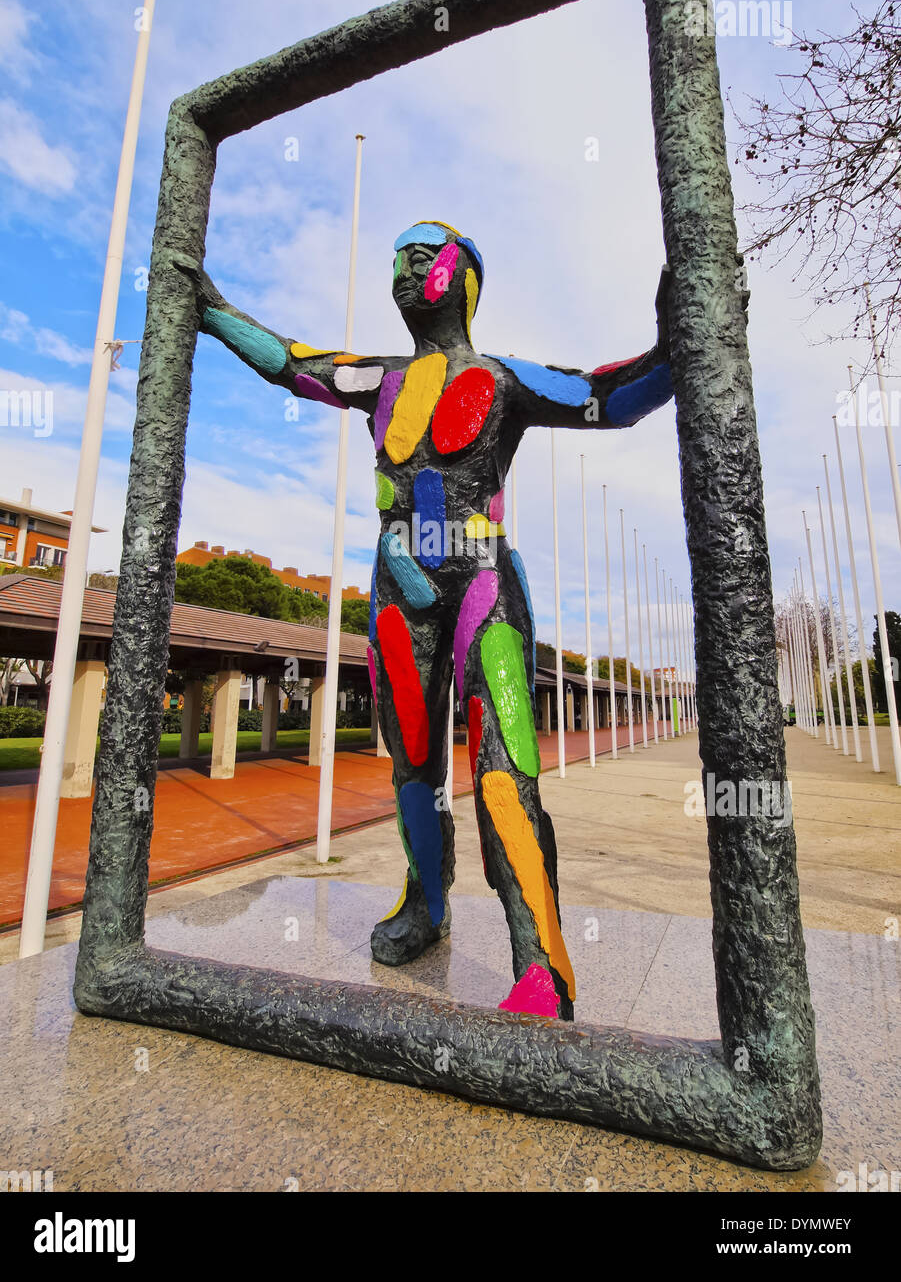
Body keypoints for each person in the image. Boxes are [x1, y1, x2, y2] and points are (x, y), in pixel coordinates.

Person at [174, 220, 673, 1021]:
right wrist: (214, 310)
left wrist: (673, 342)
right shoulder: (380, 379)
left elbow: (606, 399)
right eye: (395, 262)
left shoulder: (506, 379)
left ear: (464, 277)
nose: (403, 273)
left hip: (482, 586)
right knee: (412, 766)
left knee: (505, 771)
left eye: (420, 259)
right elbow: (293, 365)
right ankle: (425, 904)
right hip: (399, 590)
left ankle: (542, 960)